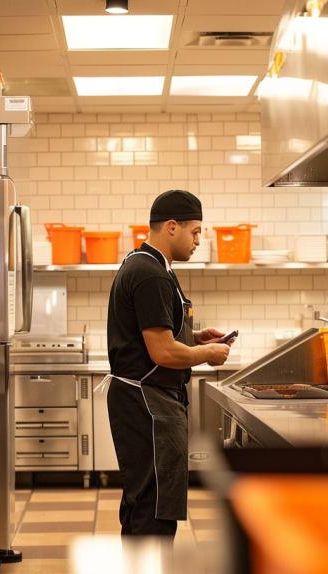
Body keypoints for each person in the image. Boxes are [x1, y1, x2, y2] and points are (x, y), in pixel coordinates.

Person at [104, 189, 231, 538]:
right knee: (154, 508)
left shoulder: (145, 264)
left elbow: (153, 340)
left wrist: (195, 338)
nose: (198, 241)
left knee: (142, 499)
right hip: (149, 404)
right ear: (172, 227)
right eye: (195, 231)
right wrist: (209, 355)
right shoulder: (152, 275)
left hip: (142, 400)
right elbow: (162, 353)